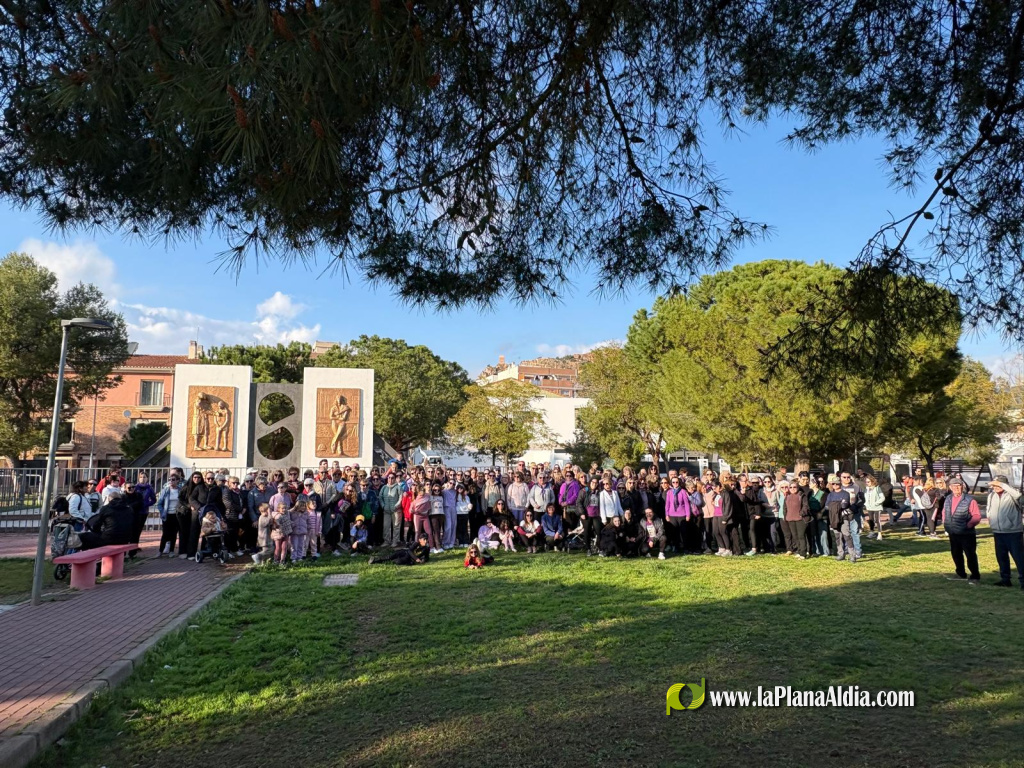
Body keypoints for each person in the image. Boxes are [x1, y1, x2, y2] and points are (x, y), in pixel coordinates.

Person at [987, 475, 1024, 589]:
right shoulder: (991, 495)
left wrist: (1003, 485)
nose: (995, 487)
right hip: (998, 531)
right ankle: (1005, 579)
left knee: (1019, 558)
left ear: (1005, 485)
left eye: (998, 485)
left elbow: (1019, 496)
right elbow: (989, 509)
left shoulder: (1012, 495)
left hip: (1013, 531)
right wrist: (990, 519)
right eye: (994, 485)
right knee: (1001, 557)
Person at [943, 477, 981, 584]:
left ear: (962, 487)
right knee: (956, 553)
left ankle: (975, 576)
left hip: (966, 533)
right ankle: (960, 573)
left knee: (970, 555)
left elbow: (976, 516)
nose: (956, 488)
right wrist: (946, 524)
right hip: (953, 532)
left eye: (958, 486)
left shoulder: (970, 500)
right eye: (953, 486)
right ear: (950, 487)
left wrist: (968, 525)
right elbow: (944, 512)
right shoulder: (948, 498)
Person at [782, 480, 810, 559]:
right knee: (795, 536)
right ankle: (799, 550)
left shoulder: (801, 495)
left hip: (800, 519)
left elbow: (806, 506)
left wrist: (801, 513)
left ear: (798, 487)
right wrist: (785, 516)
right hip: (790, 519)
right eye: (790, 487)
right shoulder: (787, 496)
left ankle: (803, 554)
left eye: (794, 487)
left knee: (801, 536)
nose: (792, 488)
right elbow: (785, 508)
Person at [379, 472, 404, 548]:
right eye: (389, 478)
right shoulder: (384, 487)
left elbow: (401, 497)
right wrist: (383, 505)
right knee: (386, 526)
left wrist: (397, 505)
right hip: (386, 510)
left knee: (396, 526)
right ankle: (386, 541)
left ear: (395, 479)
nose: (390, 479)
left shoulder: (398, 487)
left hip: (395, 510)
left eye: (392, 478)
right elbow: (380, 497)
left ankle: (395, 541)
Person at [863, 474, 885, 540]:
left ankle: (879, 533)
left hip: (877, 507)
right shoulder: (866, 489)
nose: (867, 483)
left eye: (868, 482)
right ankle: (871, 532)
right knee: (871, 520)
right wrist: (866, 503)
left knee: (877, 520)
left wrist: (876, 503)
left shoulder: (877, 488)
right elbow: (866, 497)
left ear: (872, 481)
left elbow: (882, 497)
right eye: (866, 482)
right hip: (869, 507)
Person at [428, 482, 446, 554]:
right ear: (433, 490)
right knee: (436, 531)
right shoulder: (431, 497)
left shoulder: (441, 497)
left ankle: (438, 545)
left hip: (441, 514)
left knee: (439, 530)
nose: (437, 491)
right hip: (433, 514)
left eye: (438, 490)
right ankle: (437, 546)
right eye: (435, 490)